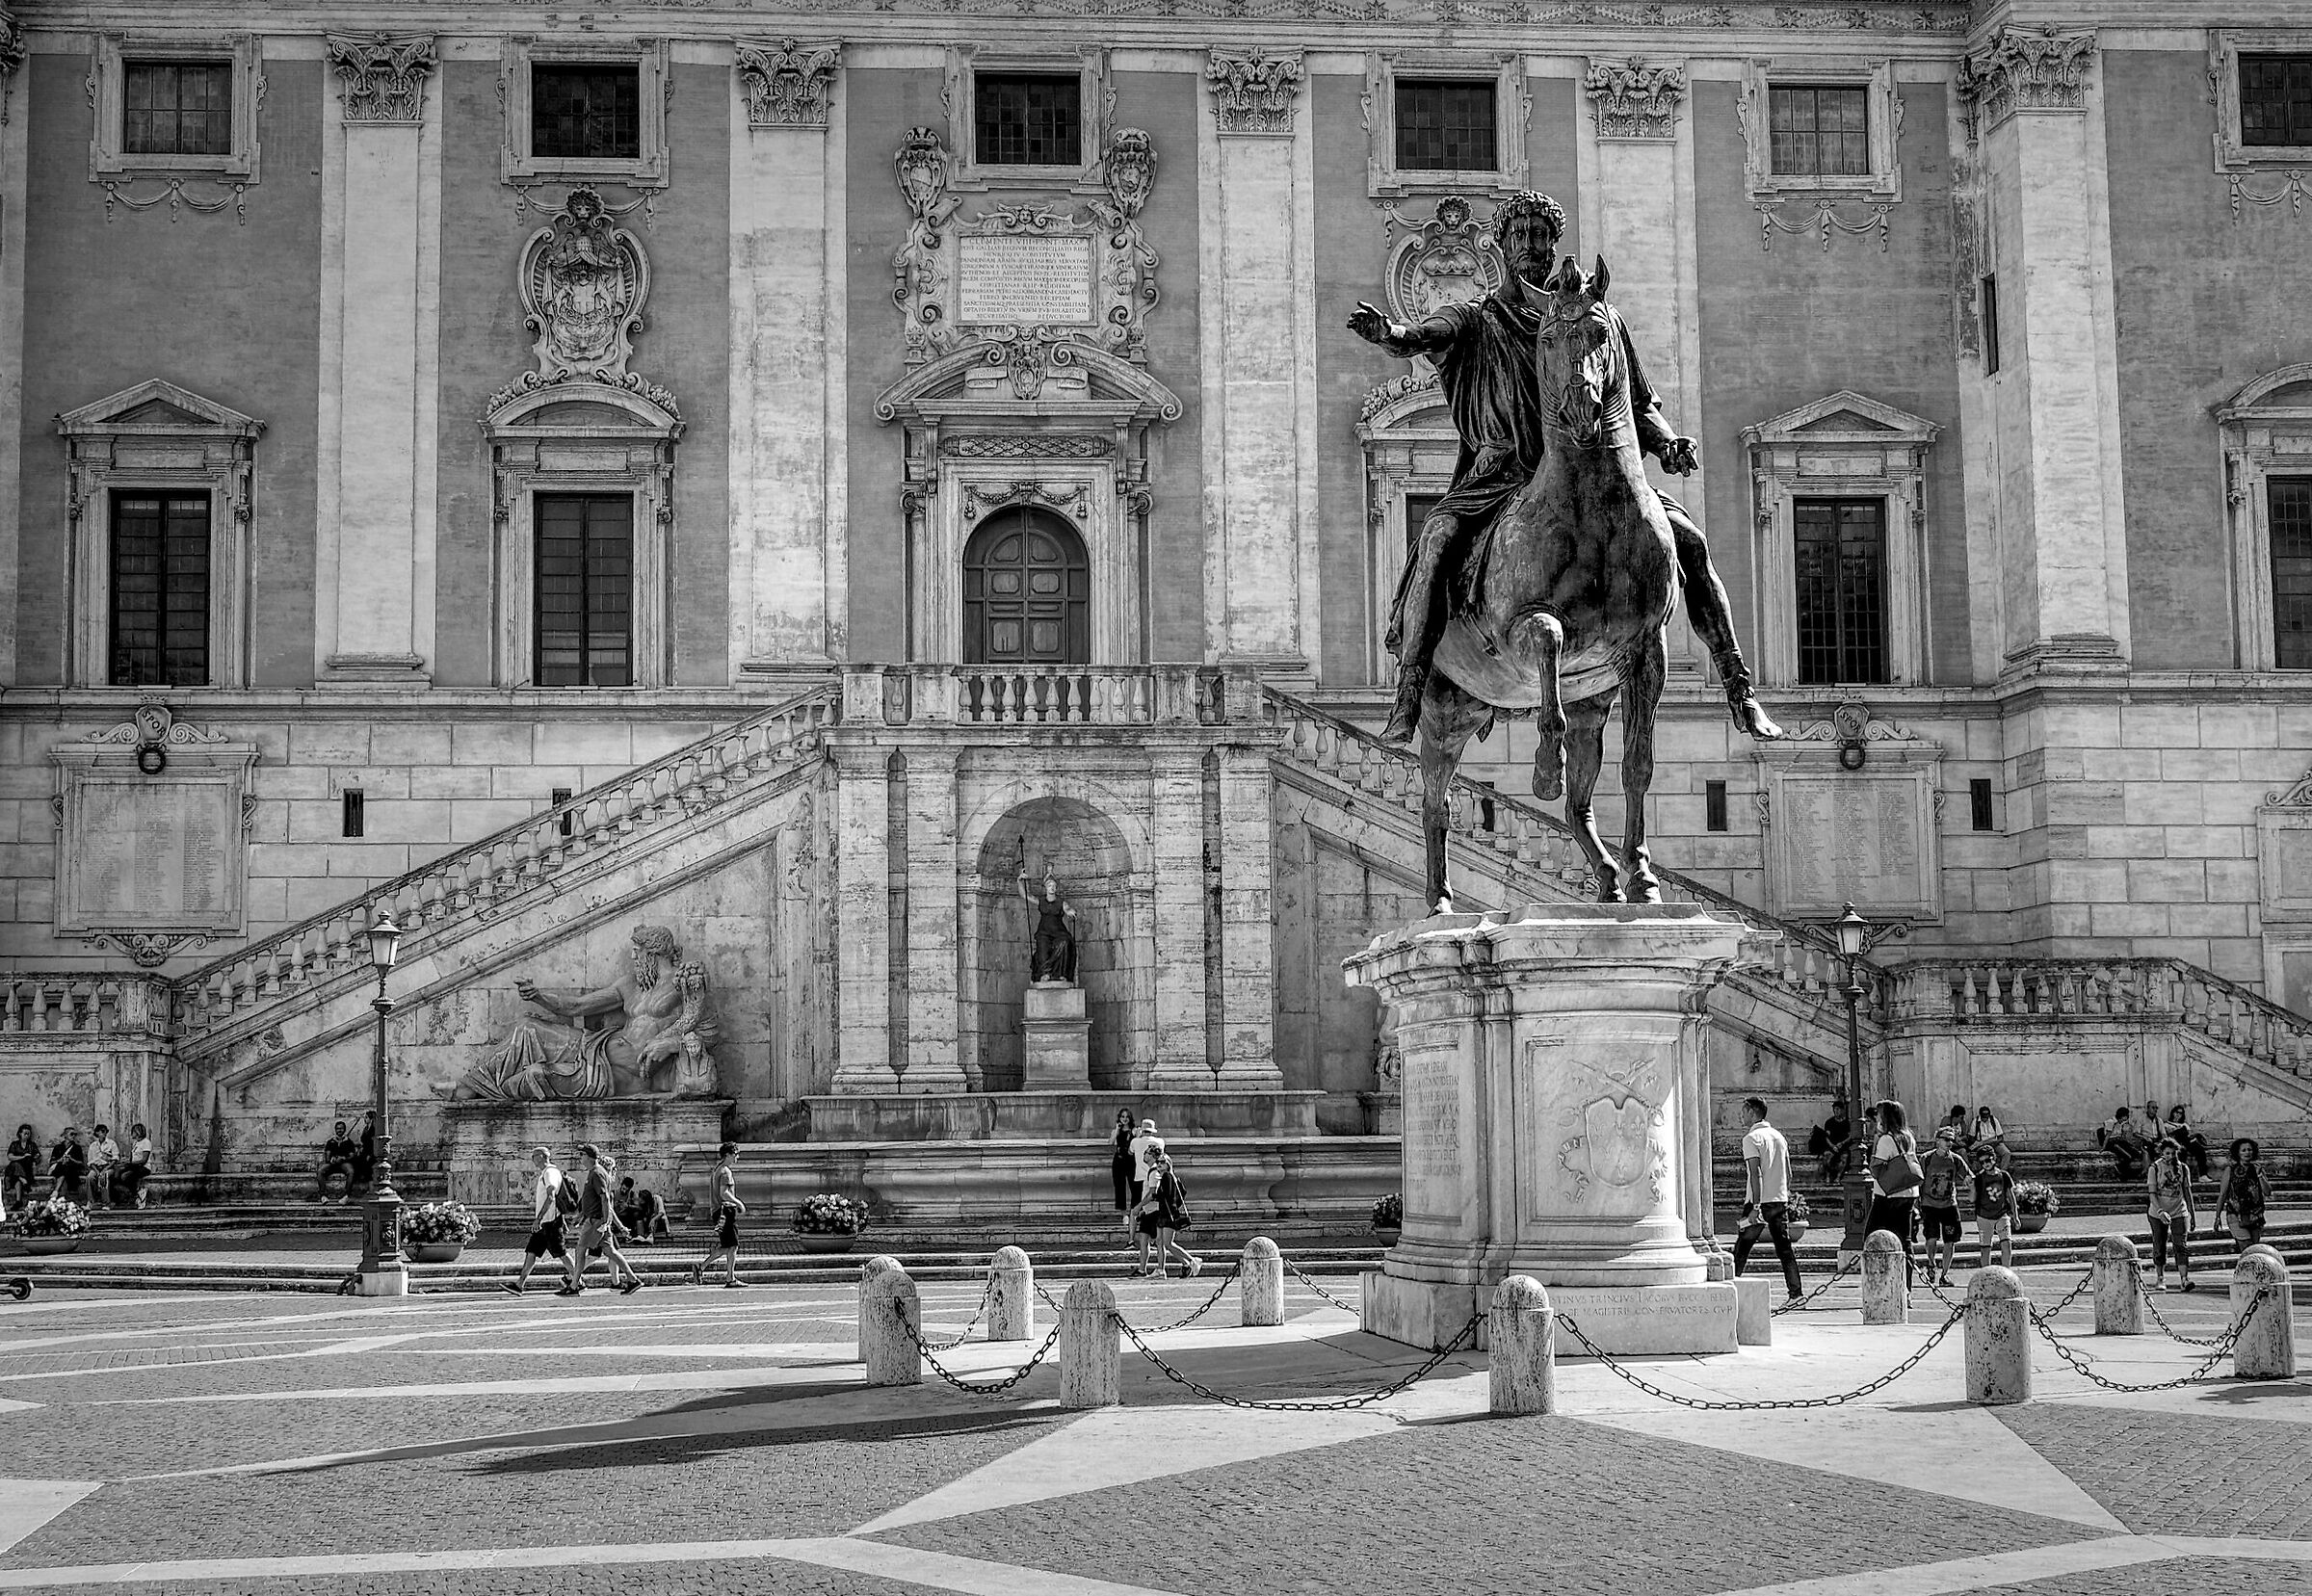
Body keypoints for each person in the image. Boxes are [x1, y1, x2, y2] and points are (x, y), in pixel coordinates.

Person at [1346, 190, 1779, 746]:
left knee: (1690, 543)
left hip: (1593, 479)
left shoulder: (1596, 318)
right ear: (1501, 244)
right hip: (1500, 477)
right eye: (1519, 235)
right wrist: (1392, 336)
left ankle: (1738, 685)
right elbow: (1429, 334)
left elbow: (1638, 401)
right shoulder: (1477, 320)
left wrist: (1667, 444)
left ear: (1554, 244)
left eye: (1541, 235)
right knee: (1436, 538)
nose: (1530, 245)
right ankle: (1410, 687)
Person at [1732, 1096, 1802, 1302]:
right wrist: (1783, 1194)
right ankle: (1796, 1293)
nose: (1741, 1115)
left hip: (1759, 1201)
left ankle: (1730, 1286)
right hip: (1778, 1200)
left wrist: (1755, 1206)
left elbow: (1756, 1173)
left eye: (1744, 1111)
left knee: (1742, 1247)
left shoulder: (1750, 1139)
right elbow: (1788, 1173)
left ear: (1753, 1113)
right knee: (1784, 1249)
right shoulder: (1779, 1137)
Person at [563, 1143, 642, 1296]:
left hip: (596, 1221)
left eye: (582, 1155)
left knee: (581, 1250)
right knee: (610, 1251)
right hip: (595, 1220)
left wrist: (604, 1222)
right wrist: (582, 1215)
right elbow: (592, 1200)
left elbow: (604, 1199)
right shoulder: (594, 1172)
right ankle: (632, 1279)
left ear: (590, 1157)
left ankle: (574, 1285)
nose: (580, 1158)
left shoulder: (597, 1173)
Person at [1864, 1100, 1922, 1285]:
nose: (1877, 1118)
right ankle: (1906, 1288)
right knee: (1904, 1241)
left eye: (1880, 1114)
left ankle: (1878, 1284)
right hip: (1909, 1193)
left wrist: (1876, 1140)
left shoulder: (1886, 1139)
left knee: (1871, 1237)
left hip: (1887, 1195)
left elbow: (1875, 1168)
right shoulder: (1908, 1137)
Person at [506, 1147, 570, 1295]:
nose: (532, 1159)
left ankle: (577, 1281)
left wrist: (539, 1218)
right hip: (545, 1223)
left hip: (549, 1222)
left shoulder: (550, 1172)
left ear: (541, 1157)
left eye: (533, 1156)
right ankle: (519, 1284)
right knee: (531, 1251)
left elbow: (551, 1196)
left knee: (561, 1253)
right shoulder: (547, 1173)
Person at [1133, 1142, 1202, 1279]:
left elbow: (1167, 1195)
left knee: (1167, 1243)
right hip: (1164, 1213)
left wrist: (1156, 1197)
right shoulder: (1168, 1177)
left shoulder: (1166, 1177)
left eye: (1162, 1162)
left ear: (1168, 1164)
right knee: (1161, 1242)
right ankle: (1163, 1269)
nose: (1159, 1164)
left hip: (1168, 1215)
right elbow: (1180, 1193)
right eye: (1158, 1162)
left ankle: (1192, 1260)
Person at [1917, 1126, 1974, 1288]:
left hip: (1949, 1204)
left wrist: (1972, 1185)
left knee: (1950, 1240)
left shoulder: (1955, 1159)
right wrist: (1917, 1202)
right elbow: (1919, 1180)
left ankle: (1944, 1274)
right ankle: (1931, 1264)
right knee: (1931, 1238)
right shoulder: (1926, 1158)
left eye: (1952, 1139)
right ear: (1937, 1140)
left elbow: (1968, 1176)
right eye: (1946, 1139)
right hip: (1929, 1204)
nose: (1949, 1142)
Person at [691, 1142, 748, 1289]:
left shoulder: (717, 1169)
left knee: (727, 1246)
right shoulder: (725, 1172)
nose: (737, 1157)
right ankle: (730, 1278)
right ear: (727, 1155)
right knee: (733, 1245)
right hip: (725, 1211)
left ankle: (702, 1267)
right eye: (735, 1154)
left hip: (718, 1212)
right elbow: (724, 1193)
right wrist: (739, 1203)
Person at [2144, 1137, 2195, 1293]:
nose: (2170, 1157)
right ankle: (2160, 1277)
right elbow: (2152, 1193)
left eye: (2173, 1153)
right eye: (2167, 1153)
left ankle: (2184, 1279)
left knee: (2181, 1245)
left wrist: (2192, 1214)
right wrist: (2160, 1211)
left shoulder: (2183, 1168)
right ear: (2162, 1153)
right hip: (2157, 1212)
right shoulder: (2155, 1168)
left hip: (2179, 1210)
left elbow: (2187, 1191)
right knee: (2159, 1244)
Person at [2214, 1138, 2270, 1248]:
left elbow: (2267, 1192)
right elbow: (2223, 1194)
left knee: (2254, 1249)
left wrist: (2260, 1176)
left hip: (2255, 1215)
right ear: (2238, 1153)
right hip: (2235, 1214)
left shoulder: (2258, 1169)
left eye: (2249, 1150)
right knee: (2246, 1246)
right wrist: (2217, 1216)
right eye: (2243, 1150)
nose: (2247, 1152)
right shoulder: (2230, 1170)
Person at [1972, 1151, 2020, 1269]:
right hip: (1984, 1216)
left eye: (1988, 1160)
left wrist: (2015, 1216)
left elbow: (2010, 1196)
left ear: (1994, 1159)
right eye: (1982, 1162)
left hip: (2001, 1214)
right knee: (1985, 1248)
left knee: (2006, 1243)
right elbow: (1972, 1198)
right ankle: (1986, 1273)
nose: (1986, 1164)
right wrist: (1971, 1187)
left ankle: (2006, 1271)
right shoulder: (1979, 1178)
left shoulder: (2004, 1175)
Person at [1810, 1096, 1856, 1184]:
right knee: (1827, 1156)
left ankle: (1838, 1177)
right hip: (1831, 1146)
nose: (1836, 1111)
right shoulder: (1829, 1122)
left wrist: (1842, 1143)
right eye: (1835, 1109)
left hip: (1843, 1146)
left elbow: (1850, 1136)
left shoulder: (1847, 1123)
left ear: (1843, 1110)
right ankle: (1827, 1176)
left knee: (1844, 1157)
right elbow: (1826, 1136)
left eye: (1838, 1109)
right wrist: (1832, 1146)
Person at [613, 1177, 670, 1244]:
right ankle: (640, 1235)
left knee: (645, 1217)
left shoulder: (657, 1198)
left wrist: (627, 1206)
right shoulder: (614, 1193)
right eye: (623, 1189)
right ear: (621, 1185)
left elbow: (661, 1212)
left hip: (656, 1220)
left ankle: (649, 1236)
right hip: (618, 1217)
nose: (625, 1191)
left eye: (627, 1190)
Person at [314, 1120, 359, 1204]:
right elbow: (327, 1156)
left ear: (344, 1130)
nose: (339, 1130)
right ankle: (323, 1196)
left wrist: (343, 1158)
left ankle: (346, 1195)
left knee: (351, 1171)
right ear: (335, 1130)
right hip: (332, 1164)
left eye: (341, 1129)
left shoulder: (349, 1142)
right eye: (338, 1129)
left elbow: (352, 1156)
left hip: (344, 1163)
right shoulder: (330, 1142)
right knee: (320, 1171)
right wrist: (332, 1159)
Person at [2096, 1106, 2146, 1180]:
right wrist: (2103, 1147)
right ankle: (2122, 1172)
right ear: (2122, 1116)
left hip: (2119, 1141)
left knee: (2135, 1153)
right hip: (2112, 1143)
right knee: (2127, 1156)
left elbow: (2120, 1136)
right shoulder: (2111, 1122)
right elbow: (2107, 1136)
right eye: (2126, 1116)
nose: (2127, 1118)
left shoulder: (2120, 1124)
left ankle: (2131, 1172)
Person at [2163, 1103, 2209, 1181]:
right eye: (2176, 1112)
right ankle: (2182, 1175)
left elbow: (2189, 1135)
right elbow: (2166, 1137)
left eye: (2180, 1113)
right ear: (2173, 1113)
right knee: (2181, 1147)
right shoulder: (2166, 1124)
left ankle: (2203, 1175)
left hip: (2187, 1142)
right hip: (2175, 1142)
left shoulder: (2185, 1124)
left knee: (2200, 1151)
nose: (2178, 1115)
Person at [1110, 1109, 1139, 1234]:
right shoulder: (1117, 1131)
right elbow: (1110, 1142)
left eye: (1127, 1117)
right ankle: (1124, 1214)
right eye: (1122, 1116)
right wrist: (1116, 1130)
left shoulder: (1134, 1130)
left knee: (1134, 1186)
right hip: (1119, 1160)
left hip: (1131, 1161)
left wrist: (1137, 1134)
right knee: (1119, 1187)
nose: (1125, 1119)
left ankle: (1134, 1212)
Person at [47, 1126, 89, 1206]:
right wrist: (59, 1160)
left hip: (72, 1169)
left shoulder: (77, 1148)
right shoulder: (58, 1147)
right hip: (59, 1168)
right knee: (64, 1168)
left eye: (75, 1134)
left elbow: (80, 1163)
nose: (73, 1136)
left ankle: (56, 1191)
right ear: (65, 1135)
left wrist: (71, 1159)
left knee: (66, 1169)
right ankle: (60, 1197)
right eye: (71, 1134)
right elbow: (52, 1161)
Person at [118, 1124, 153, 1210]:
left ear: (138, 1132)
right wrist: (125, 1162)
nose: (131, 1134)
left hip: (143, 1167)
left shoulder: (146, 1142)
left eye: (133, 1132)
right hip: (134, 1165)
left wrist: (131, 1164)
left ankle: (139, 1192)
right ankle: (136, 1193)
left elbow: (144, 1160)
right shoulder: (135, 1143)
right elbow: (132, 1158)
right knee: (118, 1173)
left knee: (125, 1176)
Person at [4, 1125, 37, 1211]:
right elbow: (10, 1156)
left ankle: (18, 1201)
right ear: (20, 1134)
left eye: (28, 1134)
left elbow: (37, 1156)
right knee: (15, 1164)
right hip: (14, 1169)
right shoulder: (14, 1144)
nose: (27, 1135)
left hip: (25, 1171)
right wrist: (23, 1157)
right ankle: (24, 1183)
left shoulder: (31, 1145)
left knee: (16, 1176)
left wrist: (35, 1157)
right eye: (25, 1133)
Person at [1971, 1106, 2010, 1171]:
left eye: (1986, 1116)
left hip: (1995, 1143)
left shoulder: (1993, 1120)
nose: (1985, 1118)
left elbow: (2000, 1138)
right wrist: (1978, 1143)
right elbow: (1971, 1137)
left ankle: (2003, 1171)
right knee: (1985, 1156)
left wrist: (1993, 1142)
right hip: (1982, 1145)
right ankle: (1985, 1172)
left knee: (2007, 1153)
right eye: (1983, 1116)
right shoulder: (1976, 1122)